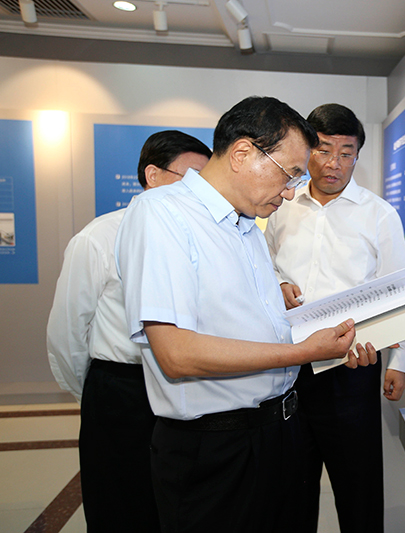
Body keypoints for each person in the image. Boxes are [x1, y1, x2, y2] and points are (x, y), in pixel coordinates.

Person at [115, 96, 378, 533]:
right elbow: (176, 354)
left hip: (278, 433)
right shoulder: (162, 213)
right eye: (289, 173)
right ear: (242, 153)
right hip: (216, 450)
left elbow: (252, 326)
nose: (291, 191)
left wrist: (328, 340)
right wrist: (305, 352)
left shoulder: (246, 226)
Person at [46, 130, 212, 532]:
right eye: (191, 178)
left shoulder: (202, 238)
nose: (200, 191)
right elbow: (68, 332)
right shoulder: (99, 237)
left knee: (179, 502)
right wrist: (94, 393)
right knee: (118, 503)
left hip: (184, 384)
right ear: (152, 175)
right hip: (121, 390)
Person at [265, 103, 405, 532]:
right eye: (324, 150)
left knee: (358, 485)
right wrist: (278, 283)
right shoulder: (281, 206)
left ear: (357, 156)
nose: (334, 163)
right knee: (292, 484)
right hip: (288, 364)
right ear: (307, 150)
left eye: (346, 153)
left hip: (351, 365)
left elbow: (400, 289)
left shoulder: (378, 214)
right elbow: (265, 266)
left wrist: (400, 360)